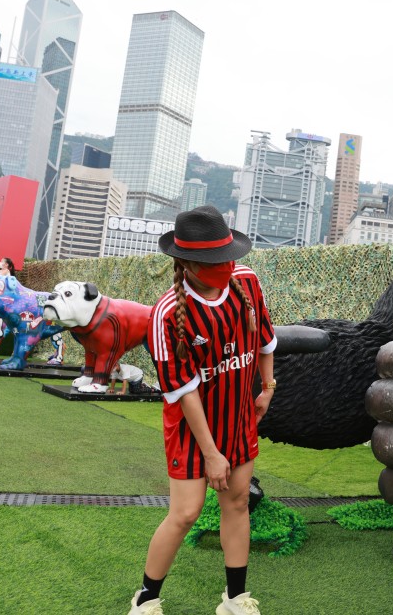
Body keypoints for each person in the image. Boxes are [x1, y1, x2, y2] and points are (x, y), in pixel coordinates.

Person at [130, 205, 277, 615]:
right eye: (213, 261)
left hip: (239, 419)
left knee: (237, 503)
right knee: (185, 513)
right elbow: (185, 393)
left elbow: (265, 340)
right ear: (187, 264)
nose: (225, 266)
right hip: (192, 429)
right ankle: (145, 599)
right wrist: (211, 454)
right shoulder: (166, 315)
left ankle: (235, 599)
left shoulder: (247, 282)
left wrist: (267, 388)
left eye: (227, 256)